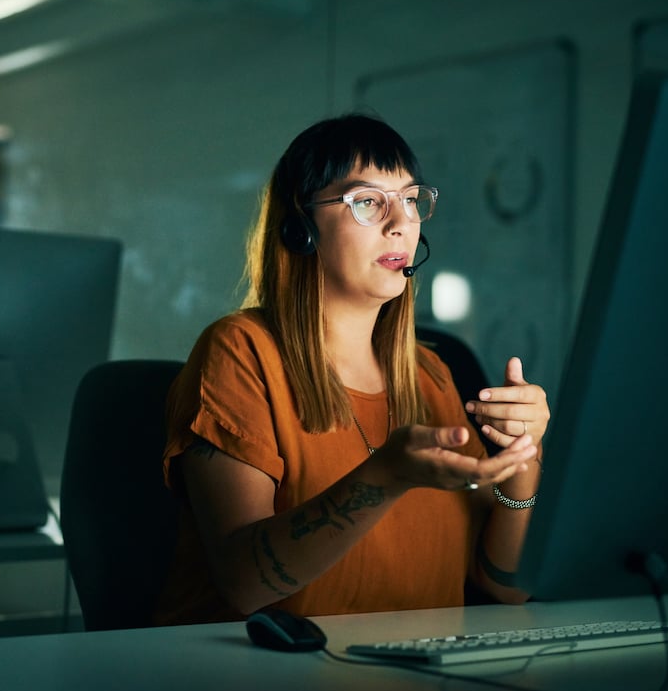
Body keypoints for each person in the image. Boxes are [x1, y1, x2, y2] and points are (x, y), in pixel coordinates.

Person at [153, 114, 550, 625]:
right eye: (366, 201)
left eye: (410, 200)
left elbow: (505, 590)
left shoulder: (430, 375)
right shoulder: (241, 352)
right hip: (262, 681)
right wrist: (385, 478)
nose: (400, 222)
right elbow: (244, 585)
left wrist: (523, 457)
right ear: (301, 227)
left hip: (411, 689)